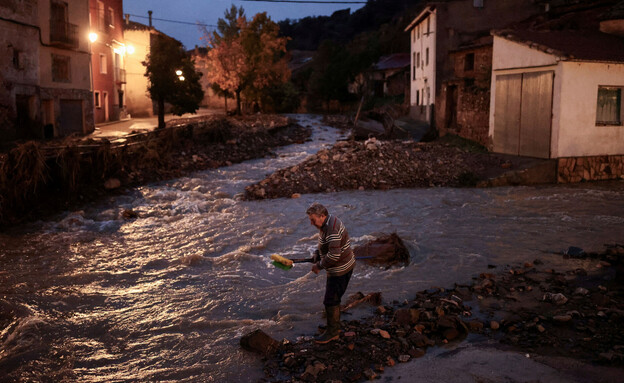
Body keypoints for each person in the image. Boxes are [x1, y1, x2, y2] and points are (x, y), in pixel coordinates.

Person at [306, 203, 355, 344]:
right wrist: (317, 253)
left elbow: (334, 256)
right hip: (340, 266)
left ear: (322, 216)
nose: (311, 223)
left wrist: (318, 266)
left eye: (313, 220)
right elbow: (326, 244)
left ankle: (333, 332)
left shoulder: (331, 229)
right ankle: (333, 327)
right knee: (333, 298)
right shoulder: (327, 222)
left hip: (340, 269)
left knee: (331, 300)